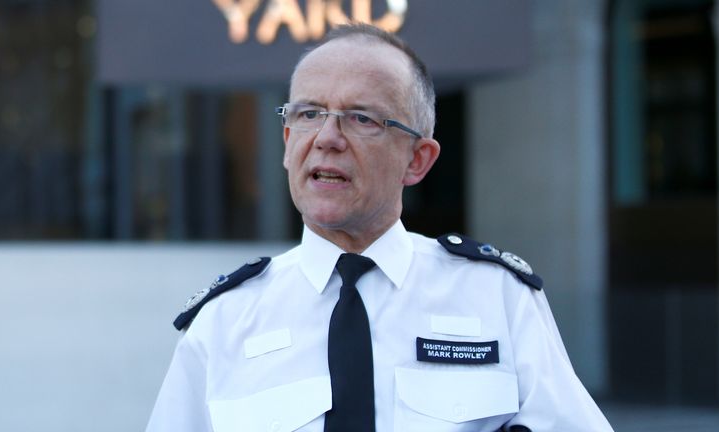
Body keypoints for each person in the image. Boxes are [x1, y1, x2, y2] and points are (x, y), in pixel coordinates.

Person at [146, 23, 613, 432]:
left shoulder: (498, 299)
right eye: (308, 114)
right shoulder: (223, 322)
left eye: (361, 118)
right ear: (288, 145)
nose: (327, 138)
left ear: (418, 159)